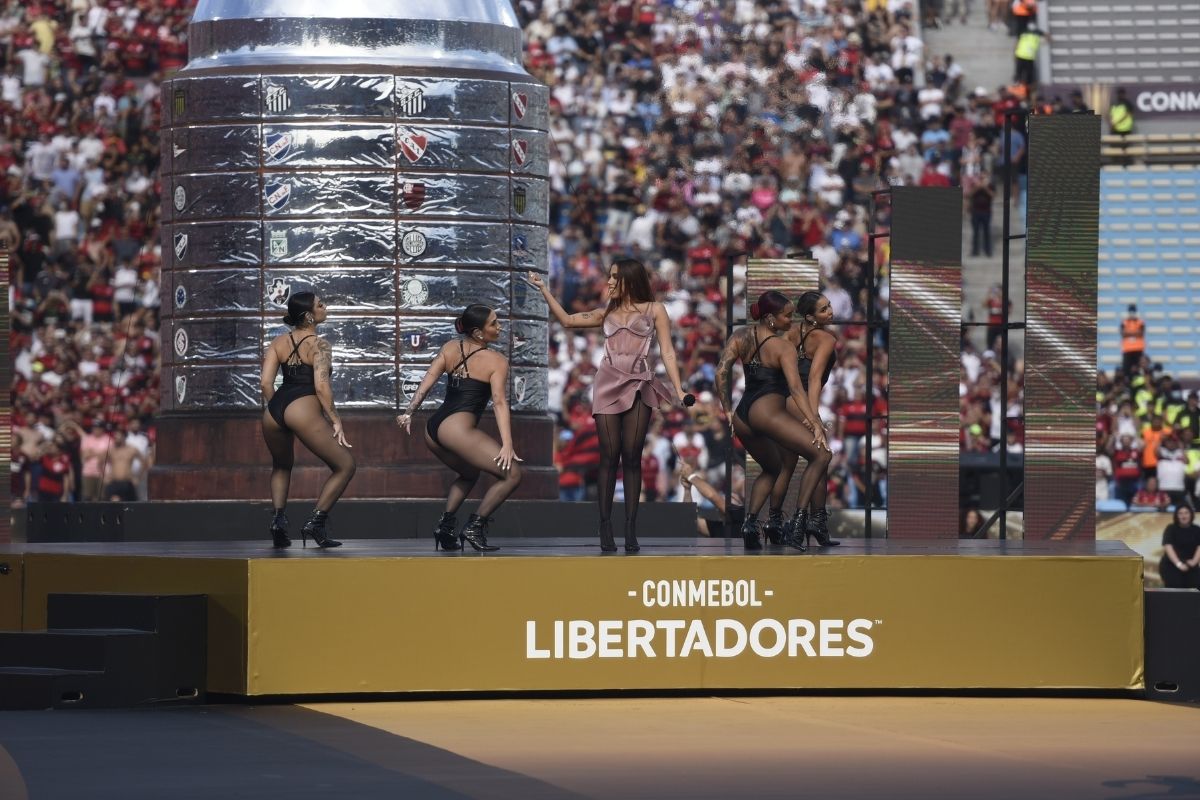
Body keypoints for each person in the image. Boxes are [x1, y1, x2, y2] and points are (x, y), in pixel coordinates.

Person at [529, 260, 691, 553]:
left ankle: (630, 526)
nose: (610, 281)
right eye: (610, 276)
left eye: (616, 276)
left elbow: (667, 351)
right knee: (609, 455)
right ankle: (605, 524)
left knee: (632, 456)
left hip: (639, 382)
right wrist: (543, 289)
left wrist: (678, 389)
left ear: (630, 278)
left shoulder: (655, 309)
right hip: (607, 383)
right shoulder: (606, 312)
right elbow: (567, 320)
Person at [396, 304, 522, 552]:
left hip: (433, 429)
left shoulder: (451, 347)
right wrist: (507, 444)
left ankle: (444, 527)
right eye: (494, 323)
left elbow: (428, 379)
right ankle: (474, 527)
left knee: (469, 474)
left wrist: (409, 412)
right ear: (478, 333)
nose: (499, 327)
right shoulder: (497, 361)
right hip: (456, 430)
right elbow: (499, 402)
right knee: (513, 475)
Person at [715, 290, 831, 551]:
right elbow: (796, 390)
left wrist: (726, 410)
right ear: (770, 318)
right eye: (787, 316)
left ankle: (750, 524)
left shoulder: (740, 336)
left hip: (742, 414)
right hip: (767, 412)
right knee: (822, 455)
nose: (791, 320)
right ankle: (799, 524)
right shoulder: (783, 347)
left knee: (773, 468)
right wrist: (814, 422)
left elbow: (721, 371)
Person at [259, 293, 356, 549]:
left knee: (281, 465)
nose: (325, 307)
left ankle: (278, 522)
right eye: (320, 304)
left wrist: (279, 411)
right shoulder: (320, 345)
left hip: (274, 411)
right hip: (302, 408)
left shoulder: (278, 342)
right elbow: (321, 387)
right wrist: (335, 420)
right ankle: (315, 522)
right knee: (345, 465)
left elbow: (265, 383)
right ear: (309, 316)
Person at [772, 291, 842, 546]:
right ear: (810, 317)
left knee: (791, 464)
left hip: (779, 401)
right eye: (824, 310)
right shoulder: (826, 339)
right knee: (821, 455)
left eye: (829, 306)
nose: (830, 312)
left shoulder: (789, 335)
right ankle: (806, 523)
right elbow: (814, 379)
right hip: (799, 402)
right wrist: (813, 418)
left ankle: (774, 523)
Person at [1159, 505, 1200, 590]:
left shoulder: (1197, 529)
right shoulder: (1171, 528)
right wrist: (1179, 564)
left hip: (1191, 564)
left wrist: (1194, 562)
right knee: (1175, 590)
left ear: (1191, 514)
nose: (1183, 516)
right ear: (1176, 515)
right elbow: (1168, 547)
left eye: (1186, 513)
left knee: (1195, 589)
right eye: (1180, 513)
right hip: (1171, 565)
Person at [1120, 304, 1145, 380]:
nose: (1132, 313)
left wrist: (1128, 333)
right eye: (1130, 311)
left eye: (1133, 311)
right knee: (1126, 369)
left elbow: (1141, 333)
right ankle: (1127, 381)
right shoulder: (1124, 322)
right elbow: (1123, 334)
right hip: (1127, 349)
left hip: (1138, 349)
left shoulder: (1140, 322)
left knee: (1138, 368)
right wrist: (1135, 332)